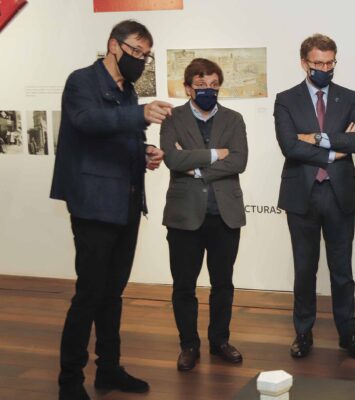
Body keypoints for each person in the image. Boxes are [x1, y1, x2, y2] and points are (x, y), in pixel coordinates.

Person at [50, 20, 173, 400]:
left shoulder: (127, 91)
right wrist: (140, 115)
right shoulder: (81, 81)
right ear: (113, 45)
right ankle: (70, 381)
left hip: (126, 203)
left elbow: (118, 139)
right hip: (93, 204)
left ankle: (108, 369)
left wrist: (145, 151)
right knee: (89, 293)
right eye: (136, 51)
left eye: (145, 55)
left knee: (113, 293)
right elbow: (88, 122)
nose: (140, 60)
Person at [274, 33, 355, 359]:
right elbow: (289, 146)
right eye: (318, 63)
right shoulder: (286, 99)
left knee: (342, 271)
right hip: (301, 195)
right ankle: (303, 333)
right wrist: (335, 149)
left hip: (339, 194)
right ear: (304, 63)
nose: (325, 69)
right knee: (304, 269)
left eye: (330, 63)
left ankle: (348, 333)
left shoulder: (350, 97)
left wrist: (315, 138)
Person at [159, 58, 248, 372]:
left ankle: (220, 341)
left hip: (225, 215)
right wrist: (215, 154)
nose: (208, 90)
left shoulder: (234, 119)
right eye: (201, 85)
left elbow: (239, 161)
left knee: (223, 284)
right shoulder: (173, 118)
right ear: (188, 88)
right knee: (184, 286)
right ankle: (189, 345)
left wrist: (196, 168)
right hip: (184, 216)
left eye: (213, 85)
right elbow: (172, 159)